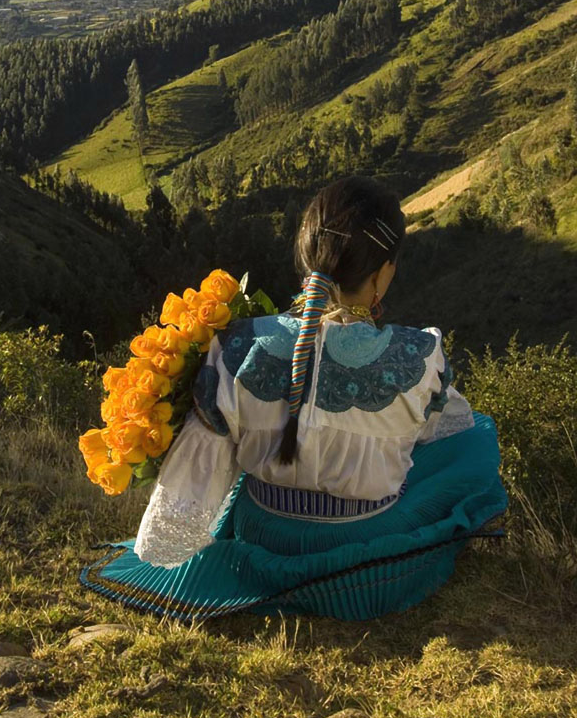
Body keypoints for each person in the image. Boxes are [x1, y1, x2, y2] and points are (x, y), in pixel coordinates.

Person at [80, 176, 507, 621]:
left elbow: (199, 474)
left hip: (262, 542)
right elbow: (445, 431)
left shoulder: (234, 347)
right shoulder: (419, 354)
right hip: (368, 562)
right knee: (470, 435)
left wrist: (170, 547)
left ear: (305, 258)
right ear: (380, 273)